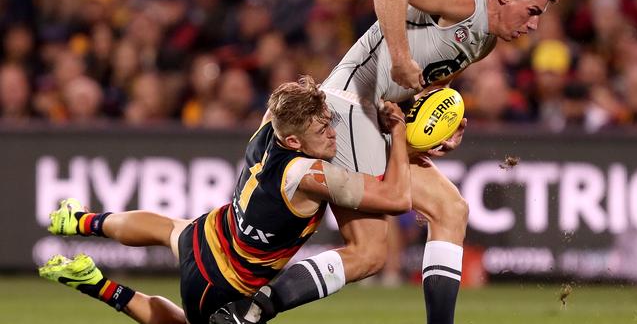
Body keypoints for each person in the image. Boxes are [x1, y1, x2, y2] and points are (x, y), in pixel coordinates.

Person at [216, 0, 560, 324]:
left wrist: (442, 126)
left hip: (374, 118)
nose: (534, 24)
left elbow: (429, 87)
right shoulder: (465, 2)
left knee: (450, 210)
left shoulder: (486, 41)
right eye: (532, 11)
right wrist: (399, 57)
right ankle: (249, 311)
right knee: (369, 254)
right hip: (349, 107)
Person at [38, 75, 412, 324]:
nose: (333, 135)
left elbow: (283, 101)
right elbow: (396, 199)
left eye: (328, 123)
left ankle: (82, 222)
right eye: (322, 129)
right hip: (225, 286)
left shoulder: (269, 126)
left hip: (209, 234)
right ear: (295, 143)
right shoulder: (309, 175)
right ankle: (97, 284)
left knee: (169, 228)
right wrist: (397, 133)